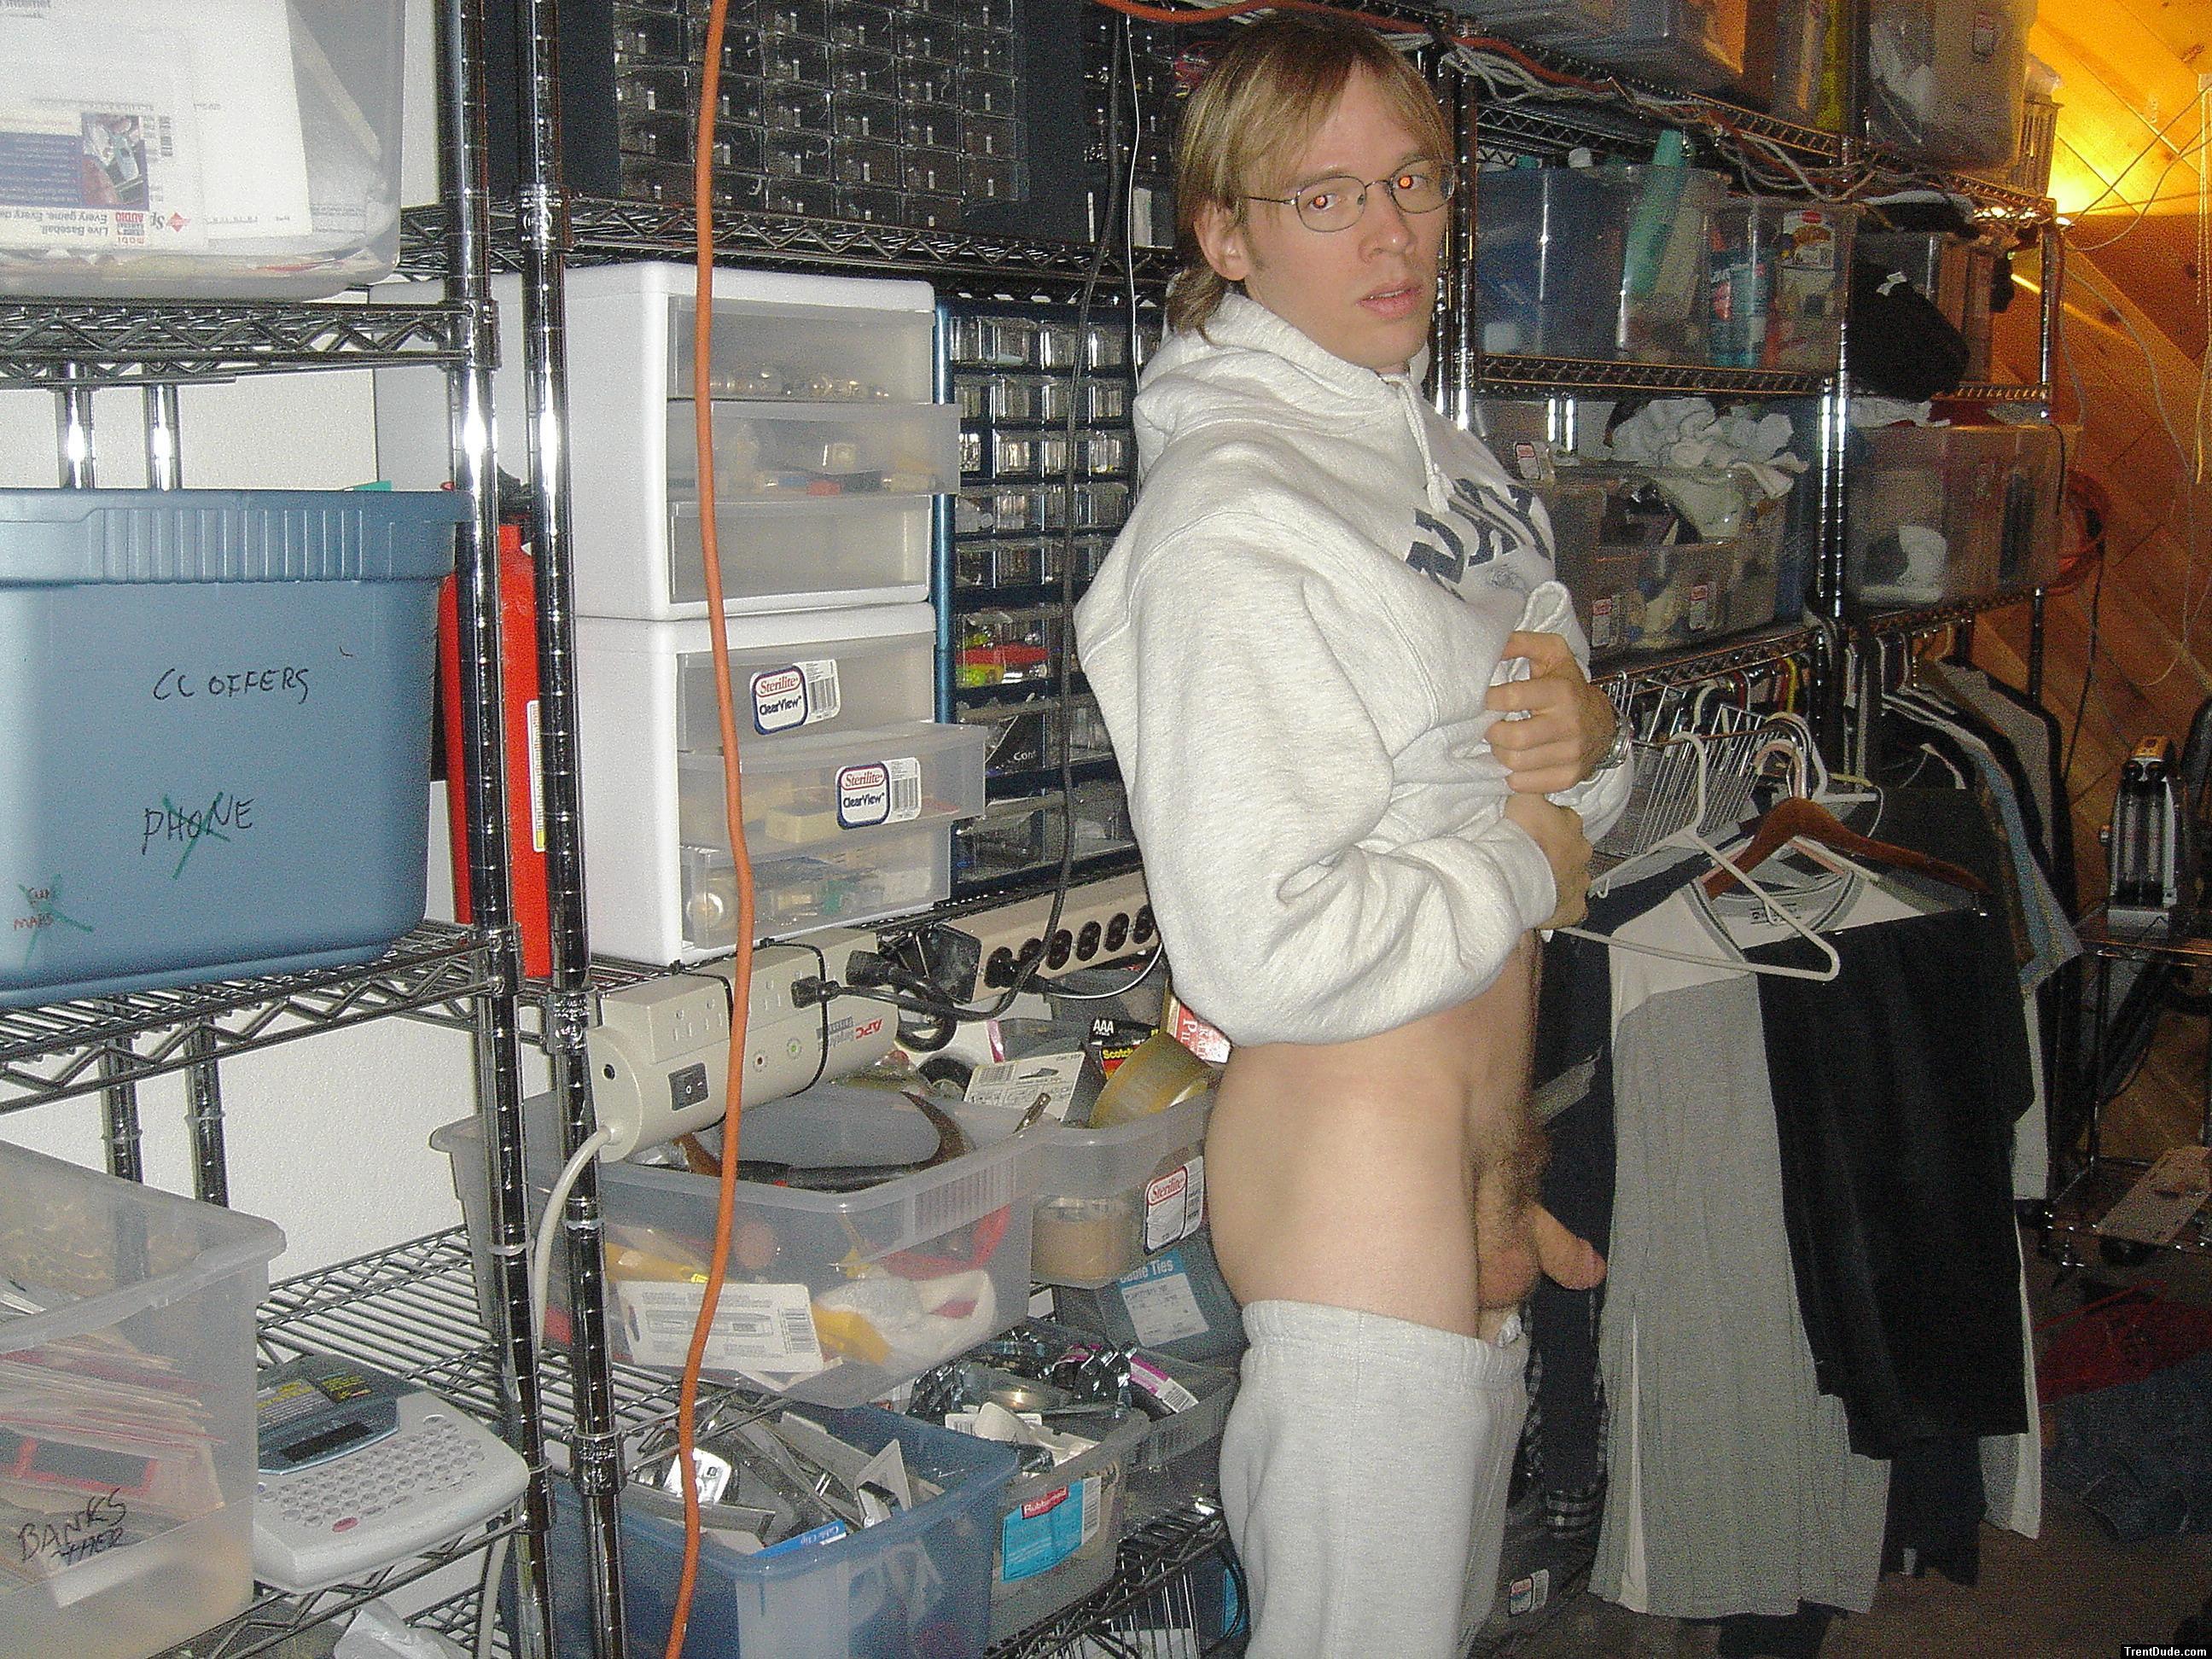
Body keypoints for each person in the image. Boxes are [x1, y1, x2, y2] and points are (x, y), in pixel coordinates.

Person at [1072, 15, 1632, 1655]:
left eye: (1414, 181)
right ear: (1226, 235)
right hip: (1355, 1205)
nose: (1393, 235)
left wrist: (1590, 745)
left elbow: (1549, 781)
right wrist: (1532, 861)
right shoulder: (1234, 517)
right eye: (1325, 198)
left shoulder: (1446, 465)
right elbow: (1268, 945)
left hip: (1465, 1188)